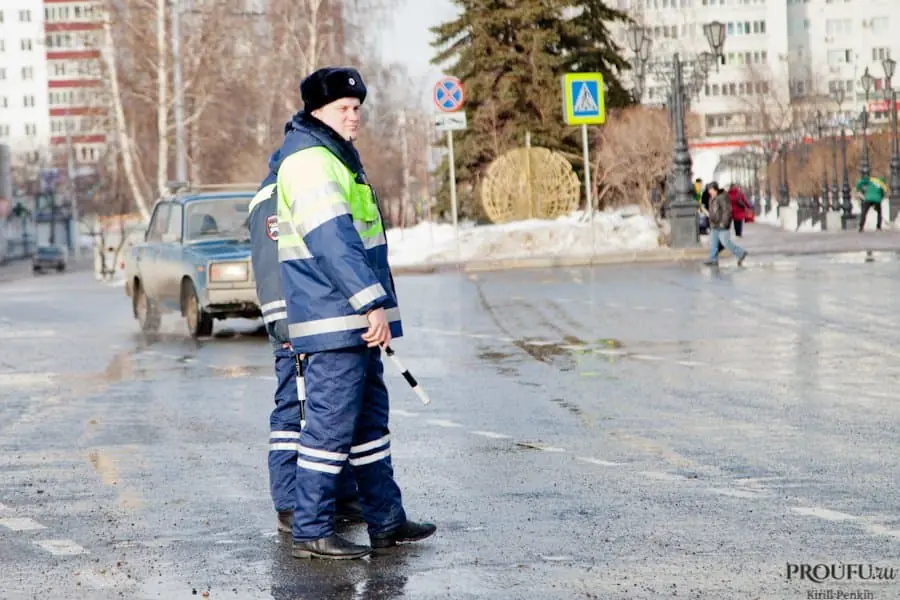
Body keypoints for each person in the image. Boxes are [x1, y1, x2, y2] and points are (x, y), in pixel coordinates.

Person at [266, 66, 435, 560]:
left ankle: (386, 520)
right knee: (330, 427)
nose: (354, 116)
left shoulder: (336, 157)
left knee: (367, 426)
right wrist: (371, 303)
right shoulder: (310, 161)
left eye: (357, 108)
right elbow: (334, 244)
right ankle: (312, 529)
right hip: (337, 318)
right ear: (317, 111)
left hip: (349, 320)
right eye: (344, 109)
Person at [248, 164, 364, 535]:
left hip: (309, 317)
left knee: (327, 411)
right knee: (292, 411)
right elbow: (273, 266)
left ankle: (339, 495)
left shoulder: (282, 189)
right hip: (294, 322)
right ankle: (288, 504)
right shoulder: (277, 196)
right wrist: (285, 324)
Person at [704, 181, 748, 267]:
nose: (709, 191)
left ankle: (741, 253)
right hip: (714, 224)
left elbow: (727, 211)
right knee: (713, 243)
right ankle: (713, 260)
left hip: (721, 224)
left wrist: (724, 223)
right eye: (709, 190)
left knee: (725, 242)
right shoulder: (712, 198)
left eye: (710, 189)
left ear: (715, 189)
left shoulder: (722, 197)